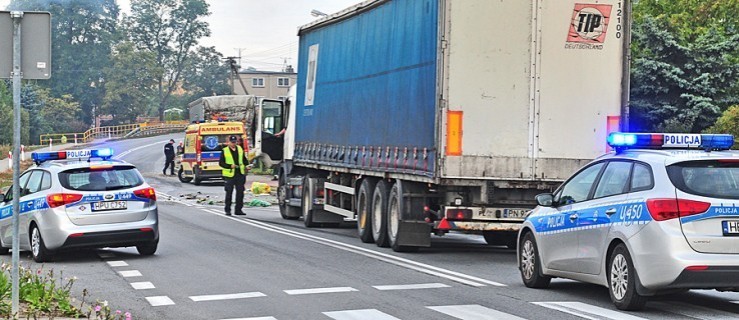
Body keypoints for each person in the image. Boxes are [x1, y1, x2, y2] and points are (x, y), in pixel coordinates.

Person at [219, 135, 249, 216]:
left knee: (240, 193)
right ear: (228, 142)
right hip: (229, 175)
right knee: (229, 193)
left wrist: (247, 165)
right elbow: (221, 163)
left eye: (235, 142)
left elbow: (244, 160)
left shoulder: (239, 149)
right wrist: (229, 166)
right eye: (232, 142)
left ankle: (238, 209)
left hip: (240, 174)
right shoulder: (224, 151)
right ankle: (227, 210)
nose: (233, 144)